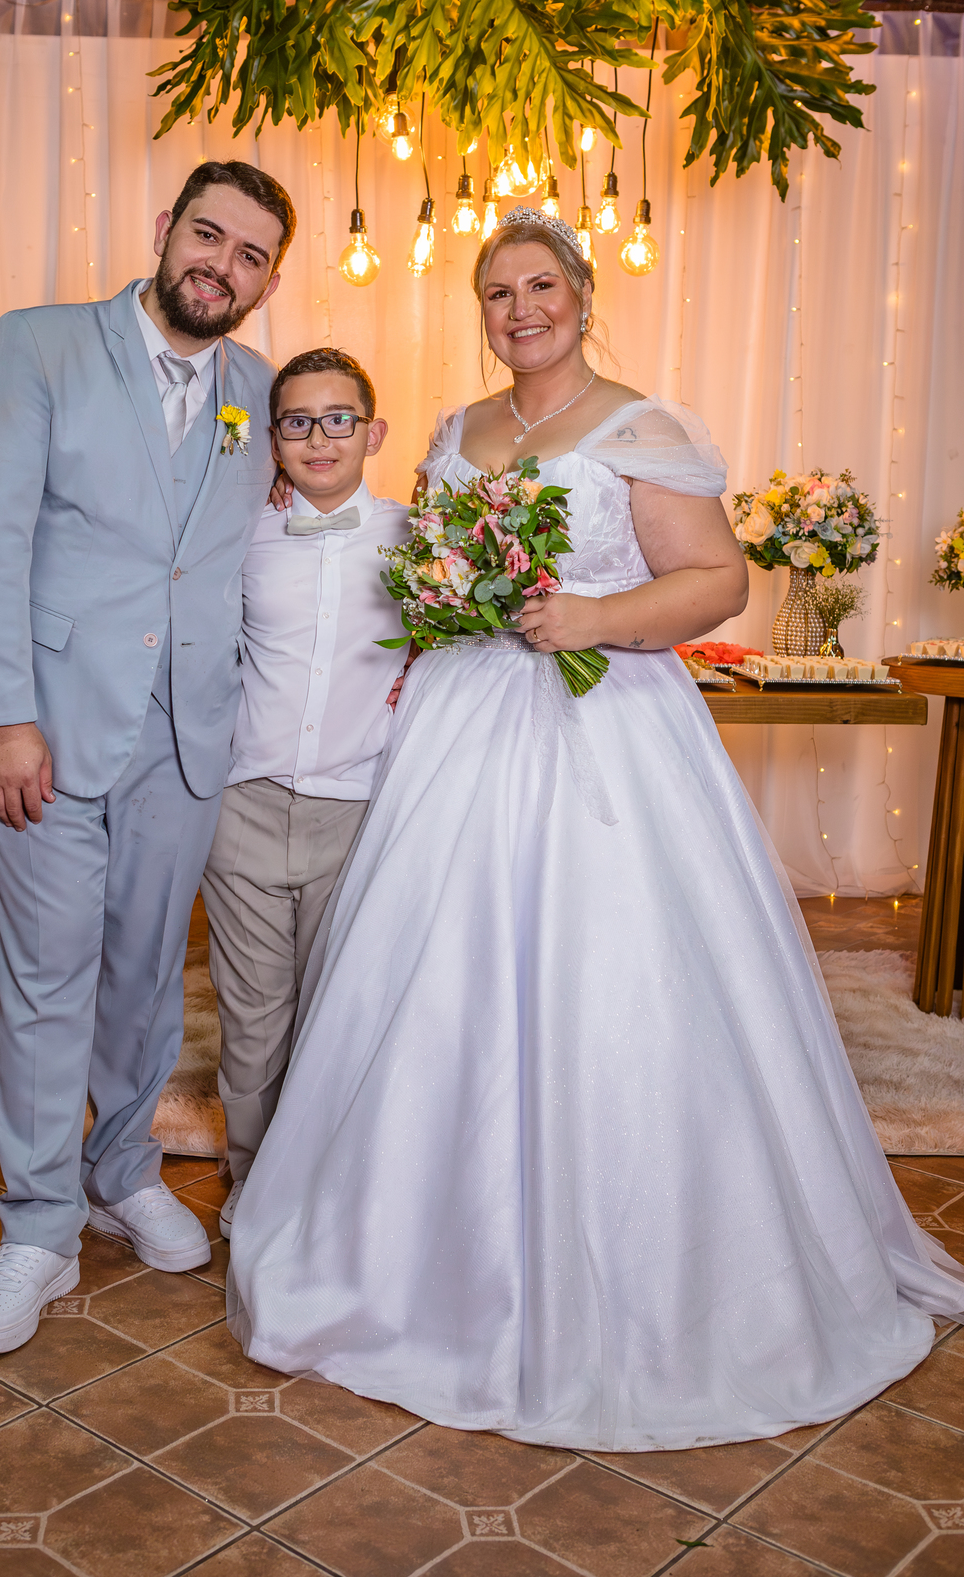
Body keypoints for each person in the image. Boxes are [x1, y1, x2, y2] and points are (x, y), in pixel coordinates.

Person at [226, 207, 964, 1451]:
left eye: (540, 288)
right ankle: (402, 1250)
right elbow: (426, 572)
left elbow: (718, 580)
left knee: (610, 973)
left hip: (604, 723)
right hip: (461, 727)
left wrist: (596, 616)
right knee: (433, 980)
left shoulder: (641, 425)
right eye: (498, 293)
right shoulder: (456, 431)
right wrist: (451, 603)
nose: (520, 311)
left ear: (579, 295)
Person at [0, 160, 295, 1355]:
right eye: (208, 234)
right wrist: (5, 713)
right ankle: (39, 1225)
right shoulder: (41, 344)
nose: (221, 265)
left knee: (144, 975)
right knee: (50, 976)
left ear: (267, 281)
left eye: (250, 255)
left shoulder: (260, 391)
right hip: (43, 727)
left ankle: (121, 1170)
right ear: (164, 229)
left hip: (187, 735)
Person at [201, 348, 409, 1242]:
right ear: (273, 440)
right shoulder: (239, 534)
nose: (320, 439)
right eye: (297, 422)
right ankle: (254, 1181)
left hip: (360, 810)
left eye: (338, 419)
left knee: (341, 1010)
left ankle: (329, 1185)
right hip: (243, 802)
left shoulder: (420, 538)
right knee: (253, 1013)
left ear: (373, 431)